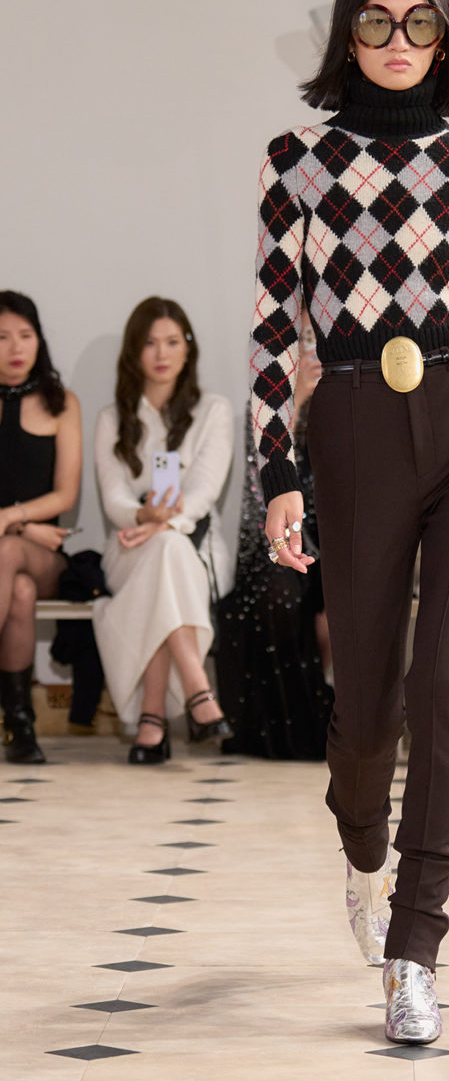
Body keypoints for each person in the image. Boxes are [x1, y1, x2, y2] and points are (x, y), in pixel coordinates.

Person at [250, 0, 449, 1045]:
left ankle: (414, 949)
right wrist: (277, 472)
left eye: (419, 21)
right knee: (367, 705)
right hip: (354, 429)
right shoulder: (298, 161)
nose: (396, 40)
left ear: (444, 36)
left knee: (444, 680)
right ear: (347, 34)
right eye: (375, 20)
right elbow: (274, 330)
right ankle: (361, 844)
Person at [93, 297, 234, 763]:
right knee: (162, 557)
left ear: (188, 348)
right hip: (129, 546)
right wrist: (143, 518)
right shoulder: (112, 419)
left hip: (196, 546)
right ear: (134, 351)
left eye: (172, 342)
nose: (161, 353)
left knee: (168, 552)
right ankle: (198, 688)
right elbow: (114, 499)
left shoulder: (213, 411)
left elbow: (204, 492)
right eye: (150, 343)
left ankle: (152, 718)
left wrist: (165, 524)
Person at [216, 317, 334, 760]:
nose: (309, 351)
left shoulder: (348, 398)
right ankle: (293, 725)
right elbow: (258, 495)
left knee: (342, 600)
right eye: (301, 341)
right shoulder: (263, 407)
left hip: (335, 542)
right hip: (276, 543)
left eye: (314, 339)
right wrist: (294, 404)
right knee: (277, 594)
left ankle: (329, 712)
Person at [0, 291, 81, 764]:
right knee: (20, 591)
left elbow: (65, 495)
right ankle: (19, 724)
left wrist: (11, 519)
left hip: (46, 555)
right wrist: (24, 526)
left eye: (25, 335)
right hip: (27, 543)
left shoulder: (61, 403)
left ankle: (18, 722)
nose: (15, 347)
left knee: (9, 555)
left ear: (39, 340)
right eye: (2, 337)